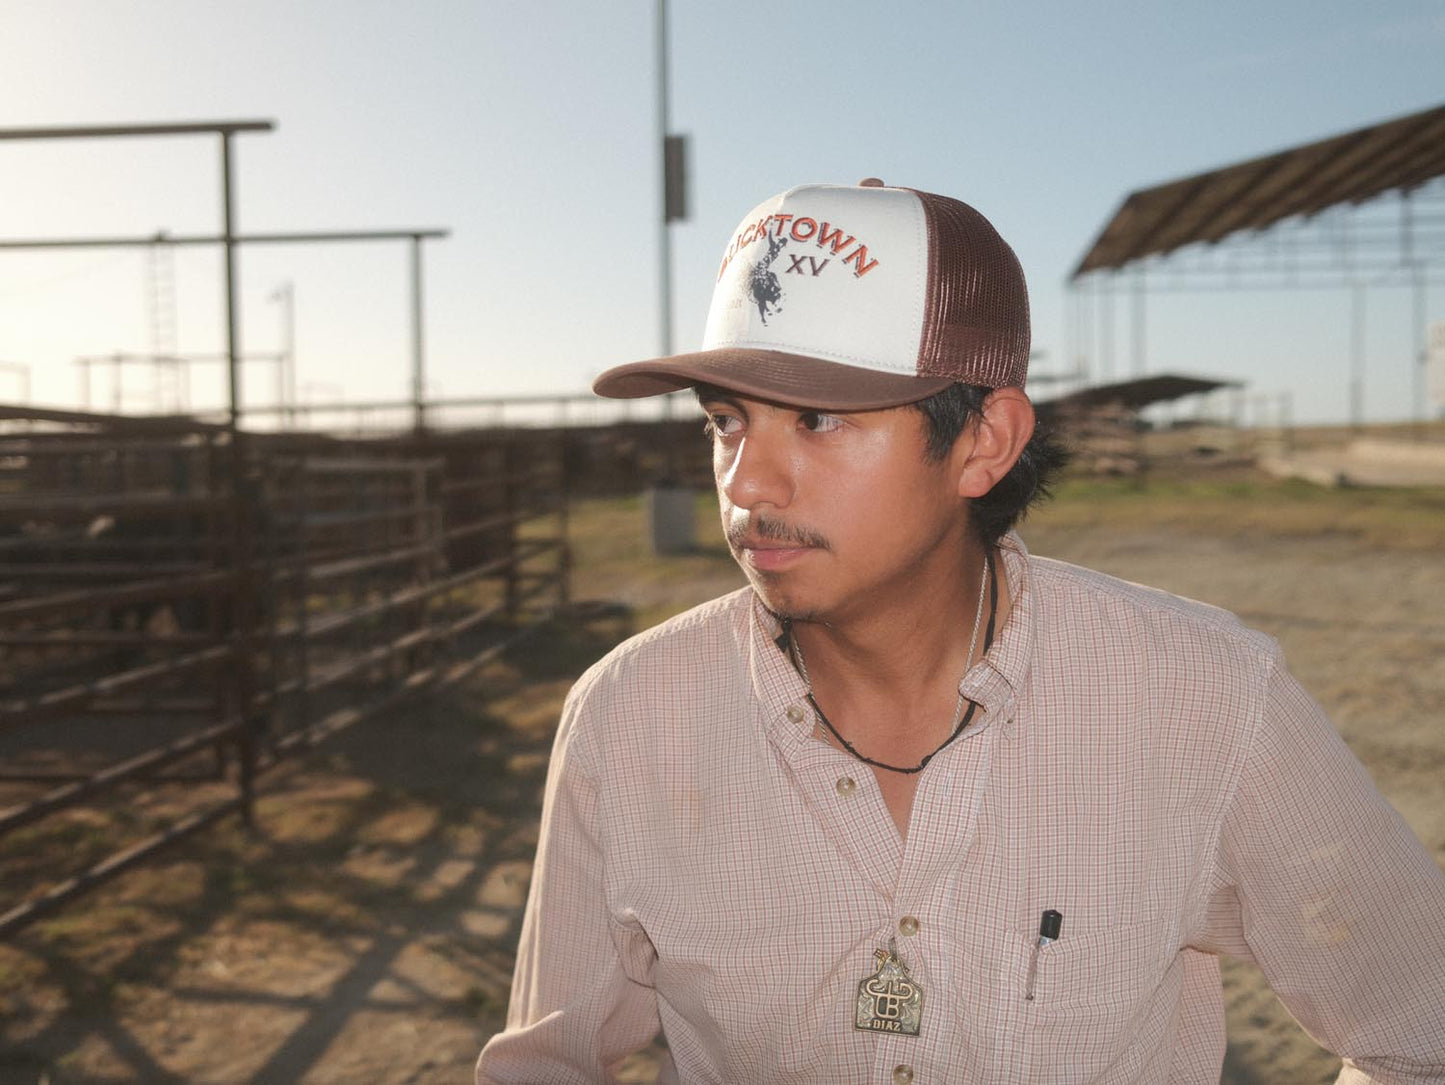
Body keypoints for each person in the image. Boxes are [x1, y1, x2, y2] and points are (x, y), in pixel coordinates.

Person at [476, 180, 1445, 1084]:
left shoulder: (1205, 697)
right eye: (728, 421)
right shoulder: (627, 715)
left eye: (816, 417)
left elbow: (1420, 1026)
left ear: (982, 442)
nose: (744, 482)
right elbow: (542, 1061)